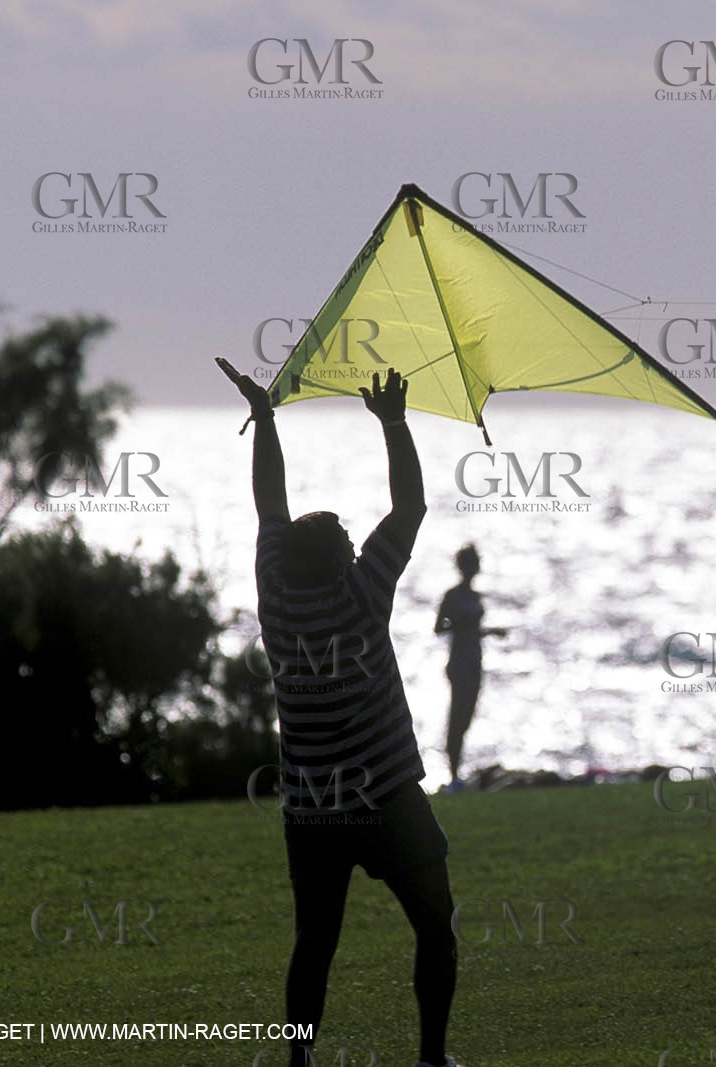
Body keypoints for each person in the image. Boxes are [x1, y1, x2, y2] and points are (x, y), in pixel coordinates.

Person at [218, 358, 462, 1067]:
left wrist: (265, 419)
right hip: (386, 795)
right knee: (436, 923)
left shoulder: (275, 596)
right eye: (353, 549)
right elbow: (411, 507)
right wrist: (392, 423)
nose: (360, 553)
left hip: (312, 805)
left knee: (314, 942)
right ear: (343, 561)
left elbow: (270, 504)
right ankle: (432, 1059)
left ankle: (298, 1064)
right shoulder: (363, 595)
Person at [434, 545, 506, 790]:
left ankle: (457, 771)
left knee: (467, 716)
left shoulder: (475, 596)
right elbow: (439, 627)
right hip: (459, 661)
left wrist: (489, 632)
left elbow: (473, 629)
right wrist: (461, 625)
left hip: (475, 659)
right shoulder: (452, 595)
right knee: (457, 717)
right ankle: (453, 774)